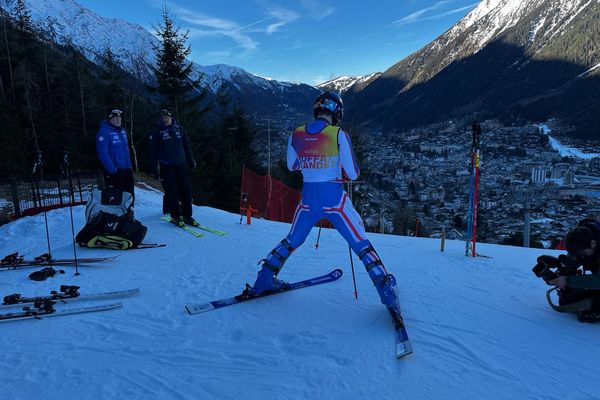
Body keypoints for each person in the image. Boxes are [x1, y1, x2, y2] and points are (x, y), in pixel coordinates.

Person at [249, 90, 402, 319]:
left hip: (308, 200)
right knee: (360, 243)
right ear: (337, 112)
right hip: (334, 200)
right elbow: (352, 172)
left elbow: (292, 166)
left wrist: (311, 160)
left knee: (292, 240)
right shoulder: (338, 134)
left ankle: (263, 280)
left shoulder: (297, 133)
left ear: (317, 108)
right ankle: (386, 290)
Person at [148, 108, 198, 228]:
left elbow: (186, 145)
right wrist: (154, 168)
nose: (164, 118)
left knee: (186, 190)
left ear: (171, 117)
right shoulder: (157, 132)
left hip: (181, 164)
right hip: (166, 166)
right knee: (172, 191)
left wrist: (190, 159)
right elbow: (152, 151)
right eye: (162, 117)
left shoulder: (179, 128)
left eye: (166, 116)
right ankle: (175, 216)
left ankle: (187, 215)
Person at [550, 221, 600, 322]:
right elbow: (574, 258)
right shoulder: (582, 239)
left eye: (583, 253)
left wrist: (568, 280)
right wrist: (561, 272)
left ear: (593, 243)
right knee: (569, 300)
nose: (582, 257)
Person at [96, 107, 135, 203]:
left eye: (119, 117)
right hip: (115, 172)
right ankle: (119, 218)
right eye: (115, 117)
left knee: (130, 197)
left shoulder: (122, 131)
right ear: (109, 118)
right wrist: (113, 170)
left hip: (127, 170)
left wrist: (129, 166)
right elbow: (103, 154)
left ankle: (129, 217)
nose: (118, 119)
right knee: (118, 199)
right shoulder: (103, 132)